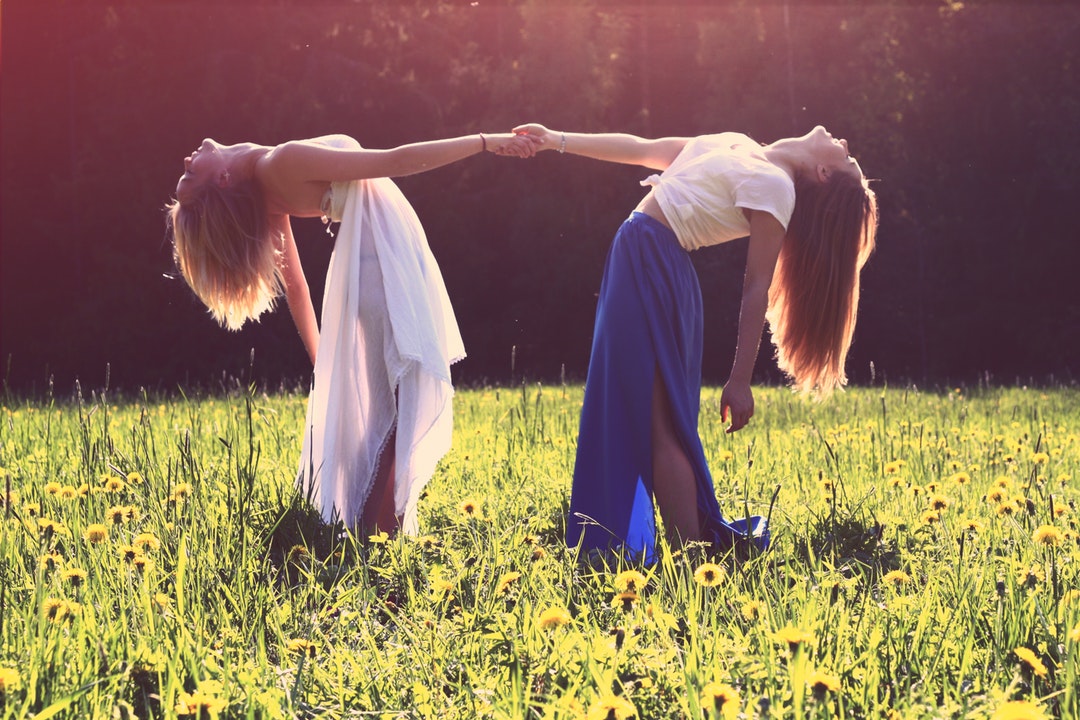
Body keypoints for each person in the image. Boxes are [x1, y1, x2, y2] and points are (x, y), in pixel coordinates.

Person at [513, 123, 878, 562]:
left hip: (654, 262)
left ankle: (692, 560)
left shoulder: (776, 188)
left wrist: (740, 379)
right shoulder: (743, 145)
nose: (845, 143)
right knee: (651, 417)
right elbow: (643, 145)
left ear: (823, 172)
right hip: (643, 256)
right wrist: (557, 140)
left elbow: (756, 286)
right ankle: (691, 554)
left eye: (848, 159)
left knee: (658, 423)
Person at [166, 131, 537, 536]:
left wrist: (323, 363)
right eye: (190, 177)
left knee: (392, 409)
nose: (185, 164)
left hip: (380, 265)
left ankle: (374, 528)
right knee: (396, 408)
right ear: (222, 179)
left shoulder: (268, 182)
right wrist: (484, 142)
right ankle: (377, 531)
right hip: (383, 271)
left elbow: (297, 288)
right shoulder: (281, 163)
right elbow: (397, 157)